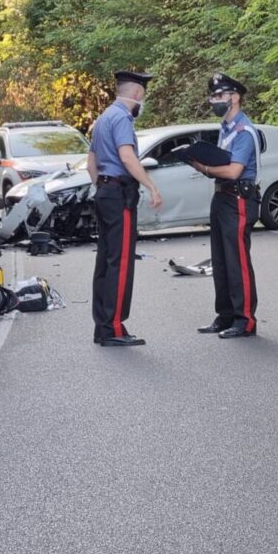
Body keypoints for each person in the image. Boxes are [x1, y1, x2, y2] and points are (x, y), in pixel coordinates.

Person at [88, 71, 162, 347]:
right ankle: (115, 327)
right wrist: (151, 186)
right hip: (119, 194)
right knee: (120, 263)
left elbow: (91, 163)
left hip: (105, 192)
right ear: (137, 94)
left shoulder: (104, 117)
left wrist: (102, 187)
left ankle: (102, 326)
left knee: (106, 261)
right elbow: (127, 156)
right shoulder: (122, 119)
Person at [189, 73, 260, 338]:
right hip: (222, 197)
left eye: (220, 95)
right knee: (220, 260)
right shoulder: (226, 128)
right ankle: (225, 315)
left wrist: (202, 167)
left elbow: (233, 171)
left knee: (237, 260)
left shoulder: (244, 131)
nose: (215, 100)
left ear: (235, 97)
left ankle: (245, 321)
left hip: (238, 198)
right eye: (213, 96)